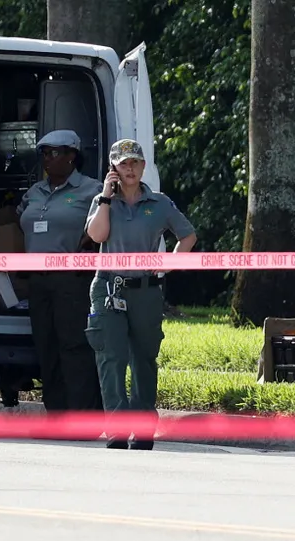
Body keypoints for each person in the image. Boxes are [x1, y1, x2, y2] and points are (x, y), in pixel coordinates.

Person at [84, 139, 197, 450]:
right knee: (111, 358)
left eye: (134, 162)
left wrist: (169, 265)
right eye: (123, 163)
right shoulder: (101, 201)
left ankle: (144, 428)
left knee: (144, 359)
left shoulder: (159, 203)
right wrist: (106, 197)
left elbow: (187, 235)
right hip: (108, 287)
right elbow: (97, 236)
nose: (129, 168)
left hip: (145, 292)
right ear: (113, 169)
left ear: (144, 166)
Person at [16, 130, 104, 413]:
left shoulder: (92, 190)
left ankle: (82, 415)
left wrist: (91, 241)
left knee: (74, 347)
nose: (48, 159)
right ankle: (56, 416)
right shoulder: (35, 191)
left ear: (71, 156)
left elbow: (108, 225)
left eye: (54, 153)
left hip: (72, 280)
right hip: (38, 281)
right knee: (47, 346)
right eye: (44, 153)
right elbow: (19, 220)